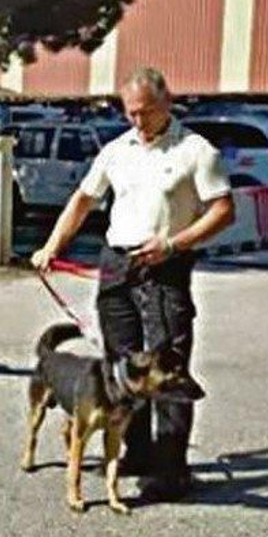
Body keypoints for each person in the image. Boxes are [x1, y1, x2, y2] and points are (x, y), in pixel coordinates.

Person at [30, 67, 234, 501]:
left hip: (165, 264)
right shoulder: (116, 150)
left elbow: (222, 211)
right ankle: (136, 451)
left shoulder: (196, 151)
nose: (137, 122)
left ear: (167, 103)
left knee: (168, 370)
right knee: (121, 367)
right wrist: (51, 245)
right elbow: (84, 200)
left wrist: (174, 244)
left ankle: (171, 468)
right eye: (130, 113)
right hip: (117, 264)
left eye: (145, 112)